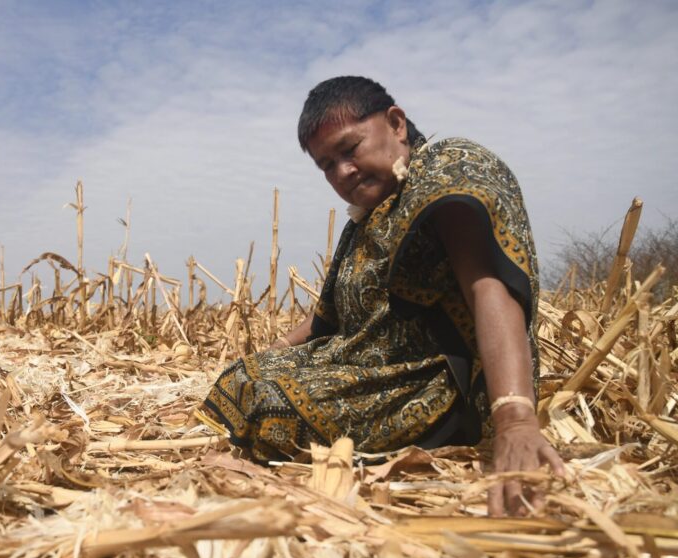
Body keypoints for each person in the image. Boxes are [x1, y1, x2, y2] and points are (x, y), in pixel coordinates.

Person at [195, 76, 564, 516]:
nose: (342, 172)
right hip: (367, 365)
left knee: (272, 406)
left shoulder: (450, 171)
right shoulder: (370, 217)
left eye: (349, 149)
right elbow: (327, 319)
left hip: (435, 385)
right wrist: (276, 348)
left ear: (396, 123)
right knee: (243, 377)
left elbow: (489, 286)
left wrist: (515, 418)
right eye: (326, 164)